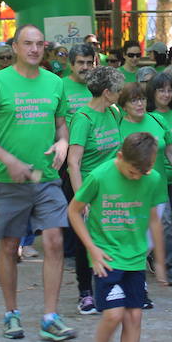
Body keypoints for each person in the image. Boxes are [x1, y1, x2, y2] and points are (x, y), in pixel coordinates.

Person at [0, 24, 74, 342]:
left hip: (45, 177)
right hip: (9, 178)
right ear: (15, 47)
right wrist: (8, 160)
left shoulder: (55, 83)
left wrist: (63, 144)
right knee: (10, 246)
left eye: (39, 44)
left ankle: (50, 317)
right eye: (27, 44)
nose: (34, 49)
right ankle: (11, 313)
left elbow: (62, 125)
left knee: (54, 240)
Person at [71, 133, 168, 342]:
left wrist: (160, 262)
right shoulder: (100, 176)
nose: (138, 177)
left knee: (134, 317)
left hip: (135, 258)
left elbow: (154, 221)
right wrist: (92, 248)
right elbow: (74, 211)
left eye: (144, 171)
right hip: (107, 256)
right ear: (120, 157)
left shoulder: (153, 179)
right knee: (113, 315)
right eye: (132, 171)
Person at [116, 82, 172, 289]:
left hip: (158, 189)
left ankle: (167, 270)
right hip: (129, 190)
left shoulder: (157, 120)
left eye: (142, 99)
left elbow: (171, 151)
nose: (139, 104)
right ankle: (130, 272)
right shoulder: (118, 125)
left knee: (165, 227)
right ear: (124, 106)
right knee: (132, 231)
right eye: (133, 100)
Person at [66, 65, 125, 313]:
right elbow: (73, 162)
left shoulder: (114, 113)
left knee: (111, 238)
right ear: (107, 92)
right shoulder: (83, 118)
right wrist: (82, 200)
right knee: (85, 242)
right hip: (89, 188)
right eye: (118, 90)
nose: (121, 94)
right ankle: (85, 293)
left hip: (113, 189)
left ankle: (110, 287)